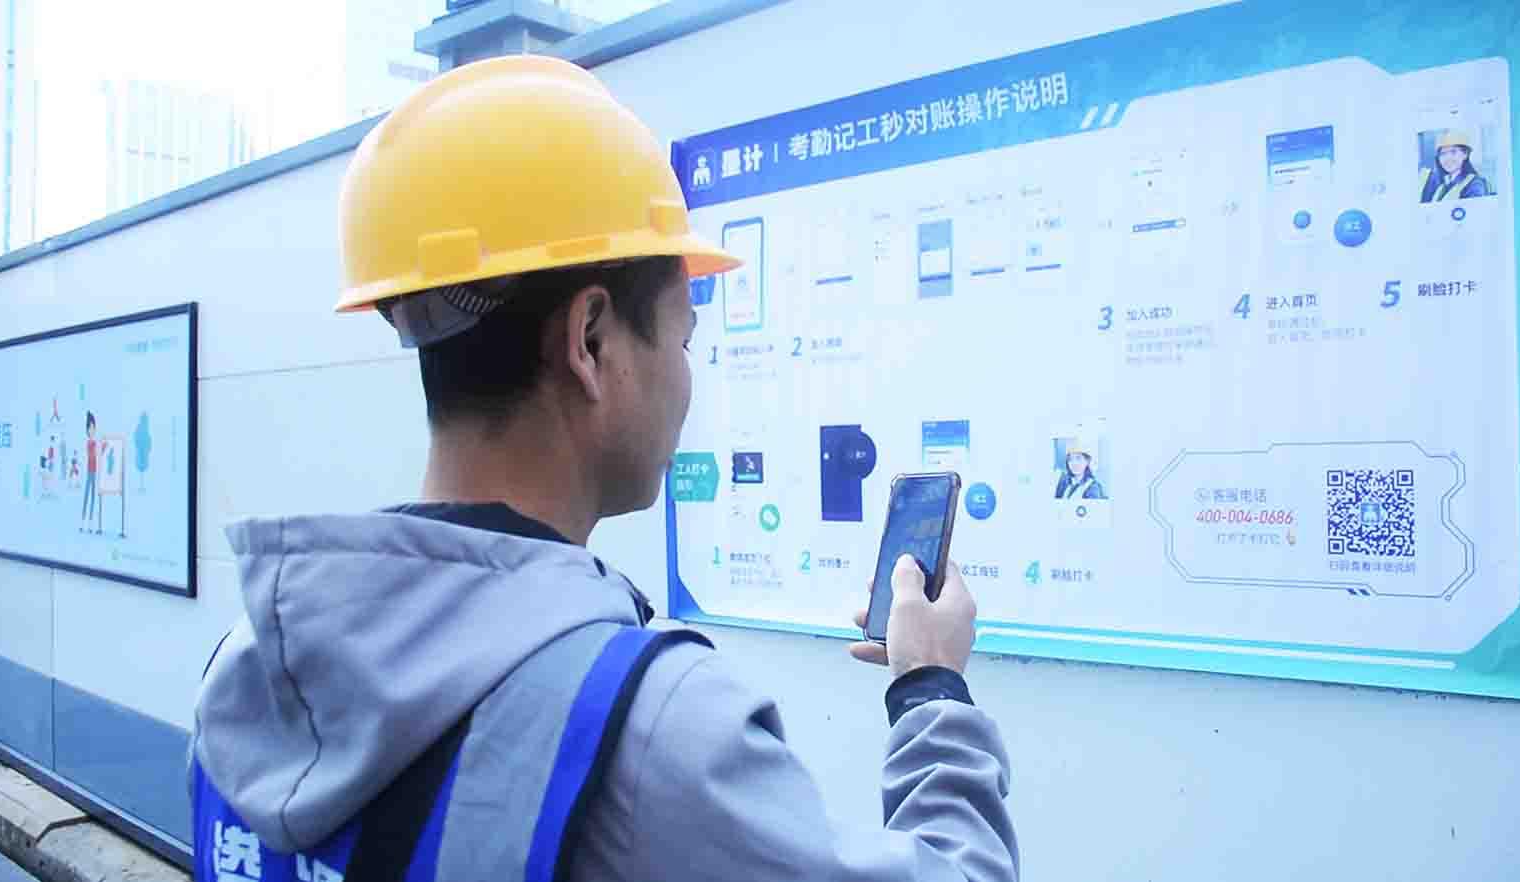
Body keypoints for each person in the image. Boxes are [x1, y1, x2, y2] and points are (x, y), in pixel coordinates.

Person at [189, 55, 1018, 882]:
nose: (688, 378)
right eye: (684, 339)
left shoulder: (257, 664)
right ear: (589, 341)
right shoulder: (648, 727)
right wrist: (930, 688)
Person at [1419, 130, 1491, 202]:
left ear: (1465, 154)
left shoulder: (1475, 184)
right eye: (1443, 153)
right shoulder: (1441, 186)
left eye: (1453, 152)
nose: (1447, 158)